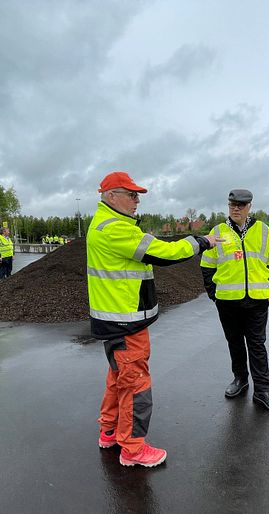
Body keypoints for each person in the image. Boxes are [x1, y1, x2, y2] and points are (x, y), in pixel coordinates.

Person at [88, 171, 220, 468]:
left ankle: (109, 431)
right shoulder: (115, 228)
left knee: (118, 378)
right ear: (111, 196)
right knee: (135, 383)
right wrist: (203, 241)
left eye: (138, 196)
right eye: (132, 195)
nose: (137, 201)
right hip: (125, 320)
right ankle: (132, 448)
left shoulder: (105, 224)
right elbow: (165, 253)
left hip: (115, 319)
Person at [200, 189, 269, 414]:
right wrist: (214, 293)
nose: (235, 208)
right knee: (235, 342)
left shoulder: (263, 230)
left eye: (240, 205)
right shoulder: (217, 231)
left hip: (257, 301)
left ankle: (263, 391)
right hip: (227, 301)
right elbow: (207, 265)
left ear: (249, 207)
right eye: (232, 204)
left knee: (256, 344)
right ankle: (240, 379)